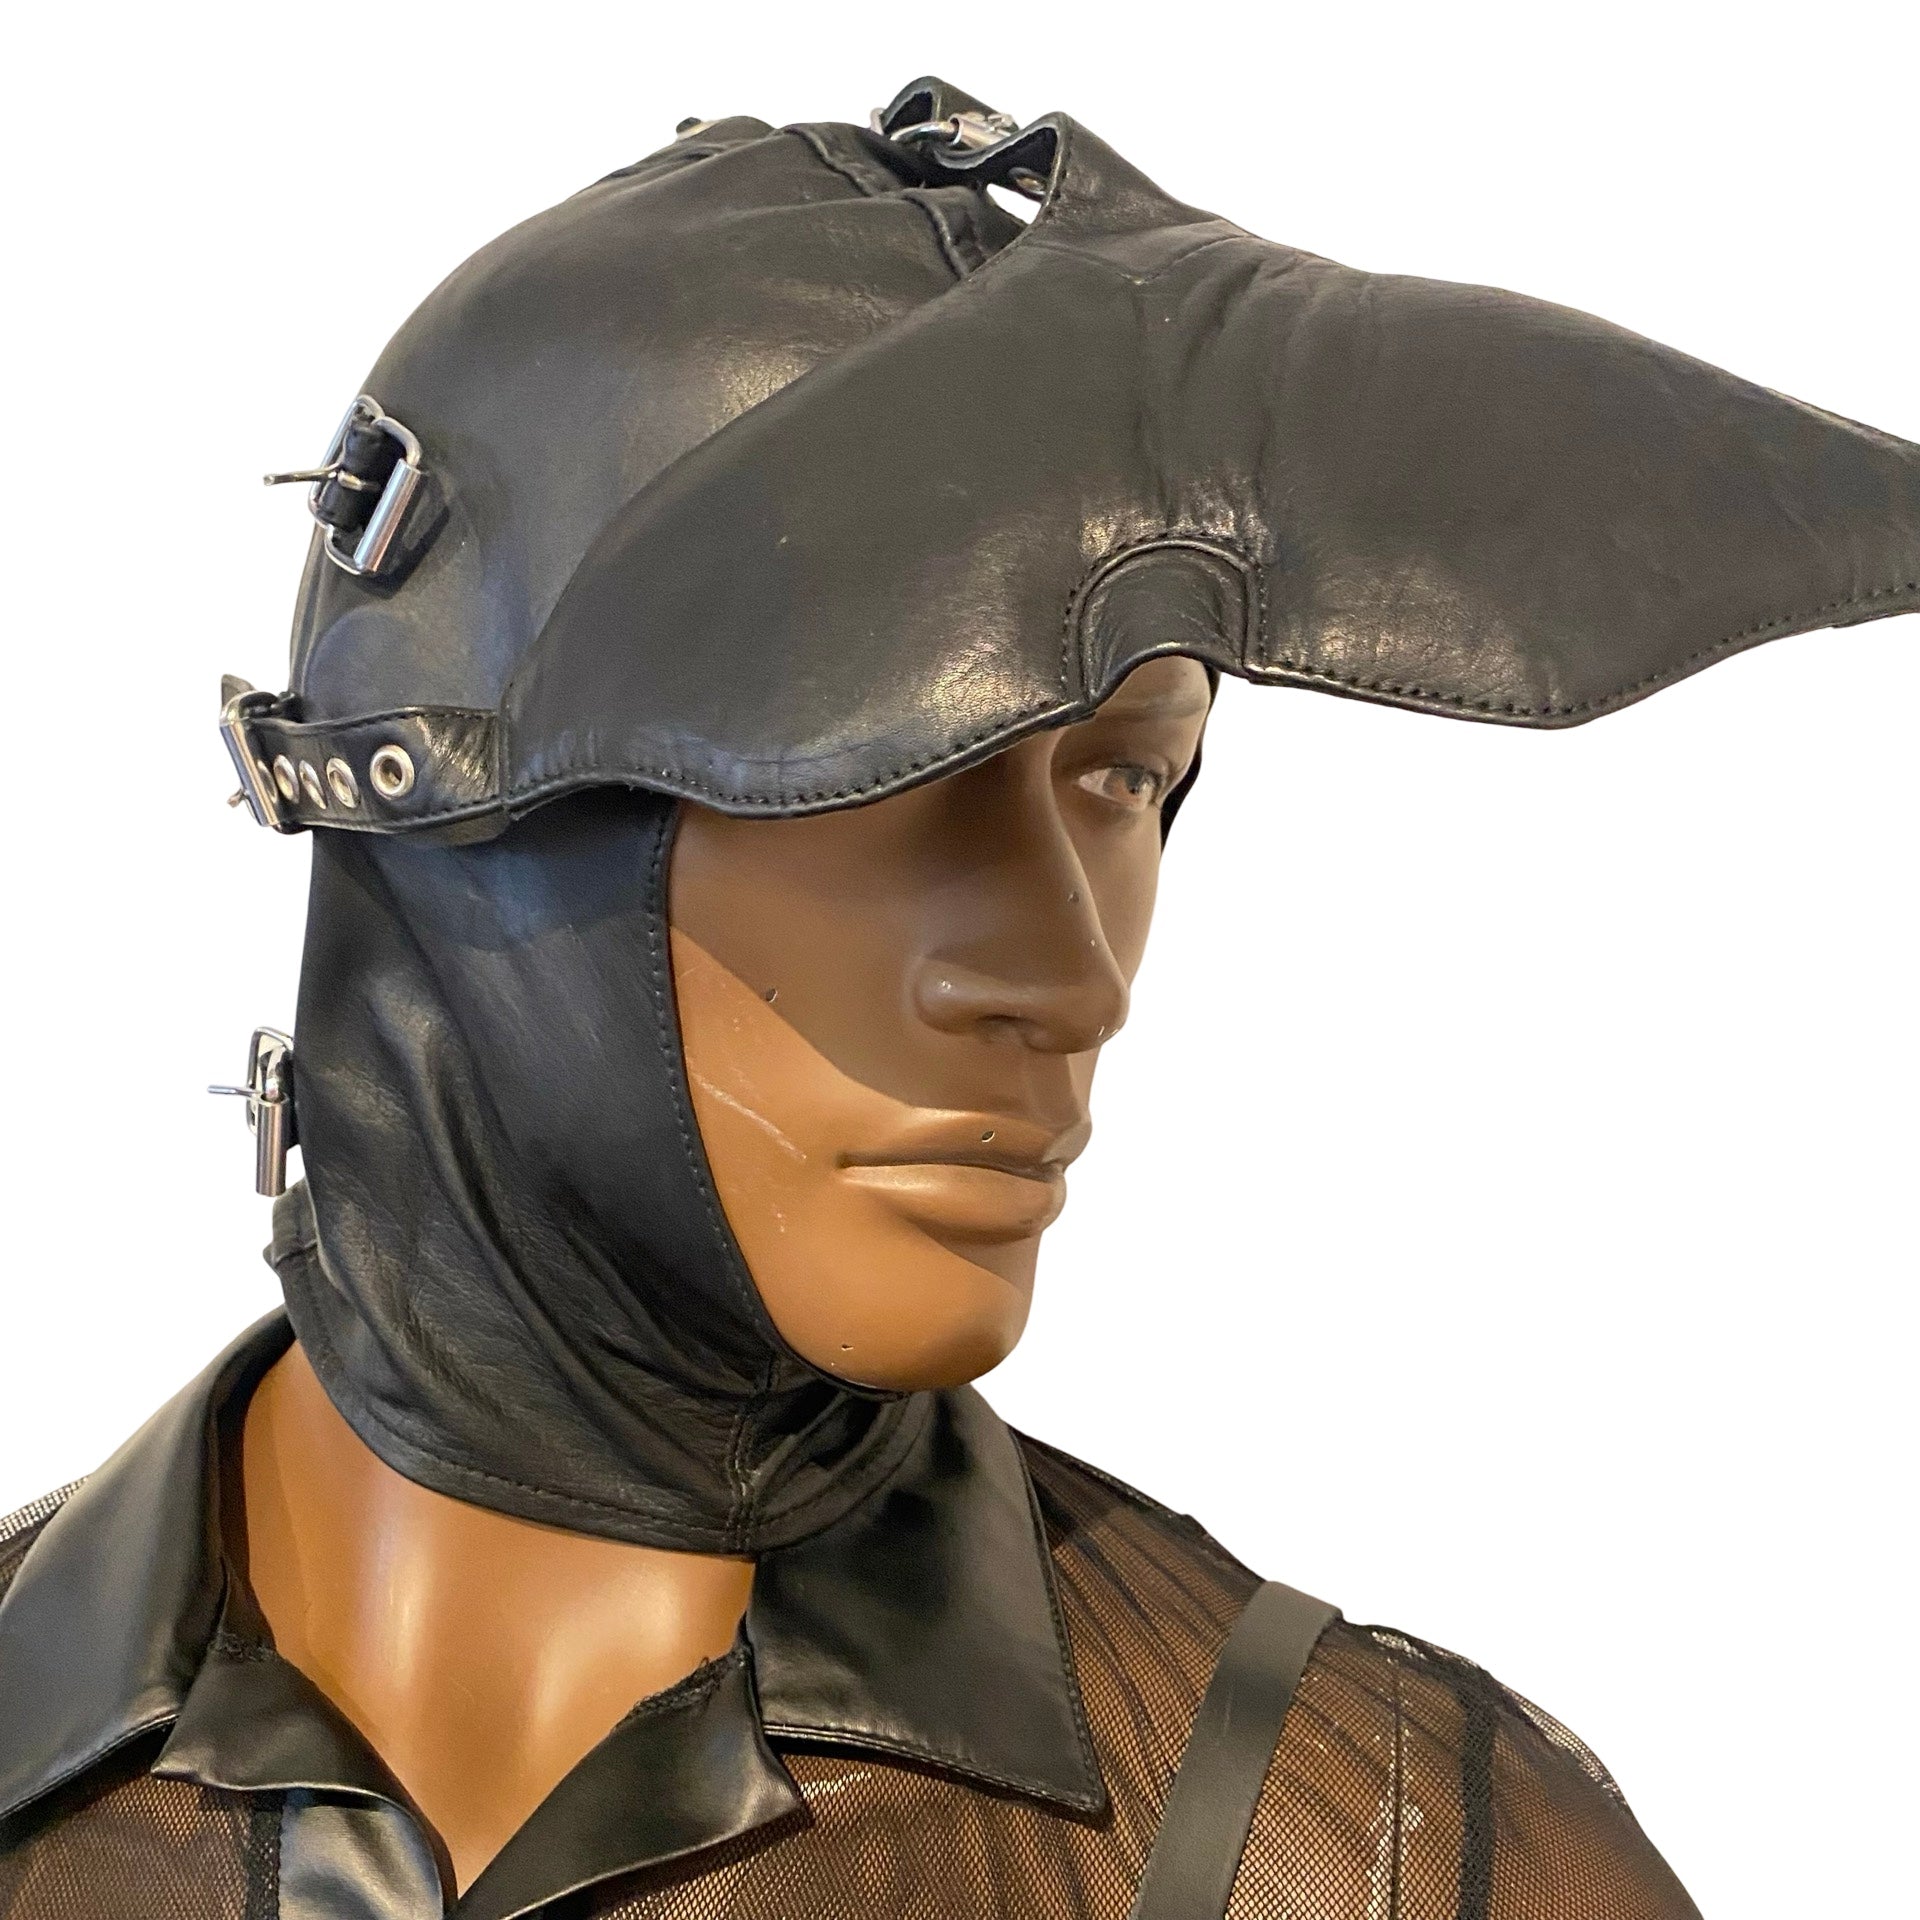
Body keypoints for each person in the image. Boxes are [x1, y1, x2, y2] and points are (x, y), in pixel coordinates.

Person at [2, 76, 1914, 1920]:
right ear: (441, 809)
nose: (1075, 976)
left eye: (1124, 776)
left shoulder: (1376, 1868)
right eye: (891, 755)